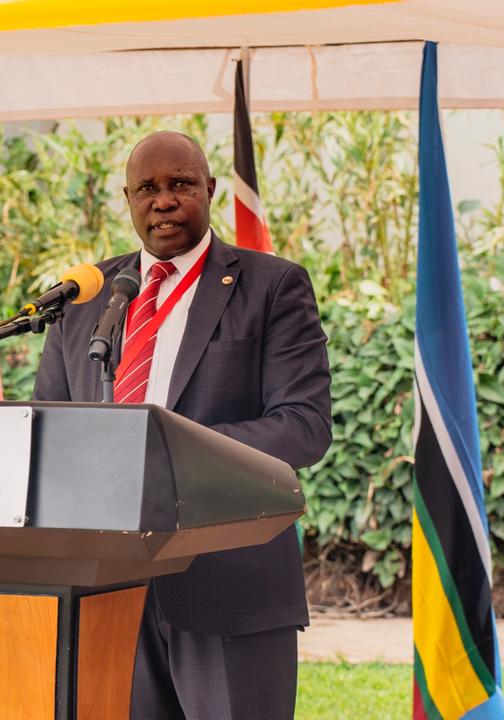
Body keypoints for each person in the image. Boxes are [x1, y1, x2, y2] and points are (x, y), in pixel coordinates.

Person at [33, 131, 332, 719]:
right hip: (103, 585)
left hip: (226, 581)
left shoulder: (272, 286)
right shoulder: (86, 295)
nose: (163, 201)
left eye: (180, 185)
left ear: (211, 191)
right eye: (147, 188)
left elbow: (303, 427)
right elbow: (49, 428)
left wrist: (169, 450)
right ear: (127, 199)